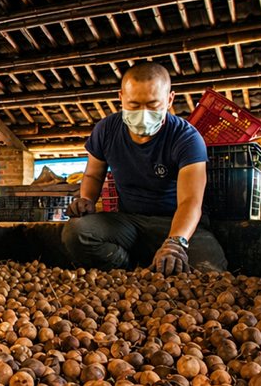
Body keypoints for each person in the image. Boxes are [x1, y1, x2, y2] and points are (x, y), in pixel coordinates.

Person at [62, 62, 227, 274]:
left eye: (152, 105)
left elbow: (190, 201)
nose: (143, 113)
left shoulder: (186, 138)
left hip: (173, 223)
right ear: (121, 97)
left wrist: (176, 242)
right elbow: (93, 175)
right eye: (134, 105)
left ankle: (162, 253)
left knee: (210, 269)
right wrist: (86, 199)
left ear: (169, 100)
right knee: (77, 231)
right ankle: (127, 267)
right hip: (128, 222)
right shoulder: (106, 130)